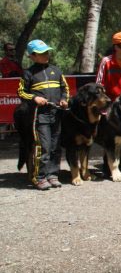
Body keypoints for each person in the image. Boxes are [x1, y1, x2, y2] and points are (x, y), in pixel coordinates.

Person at [17, 40, 69, 190]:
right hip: (39, 116)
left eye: (46, 52)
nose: (46, 55)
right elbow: (21, 92)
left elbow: (65, 88)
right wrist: (34, 98)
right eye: (41, 53)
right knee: (44, 146)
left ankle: (53, 175)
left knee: (55, 146)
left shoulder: (57, 70)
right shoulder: (28, 73)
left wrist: (64, 100)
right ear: (32, 56)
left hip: (56, 114)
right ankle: (39, 177)